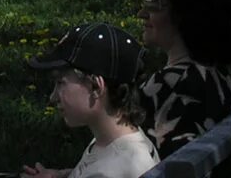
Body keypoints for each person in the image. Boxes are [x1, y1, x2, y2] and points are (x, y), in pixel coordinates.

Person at [134, 0, 231, 157]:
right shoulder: (219, 76)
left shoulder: (166, 87)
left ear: (184, 12)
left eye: (153, 3)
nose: (142, 13)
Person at [21, 22, 161, 178]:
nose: (53, 97)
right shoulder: (109, 140)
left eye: (61, 83)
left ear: (95, 86)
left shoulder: (125, 166)